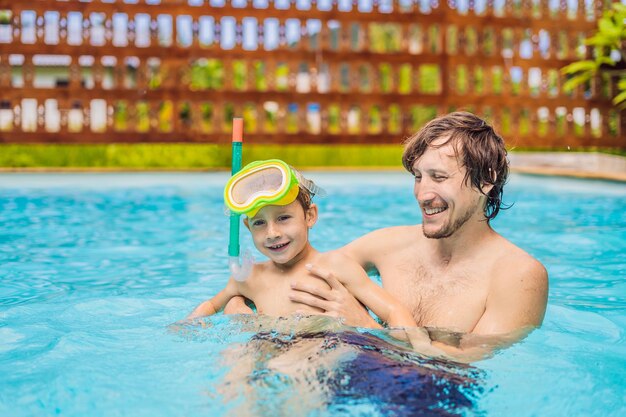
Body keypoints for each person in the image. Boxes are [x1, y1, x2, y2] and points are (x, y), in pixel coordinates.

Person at [226, 112, 549, 362]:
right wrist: (240, 302)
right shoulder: (387, 245)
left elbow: (465, 366)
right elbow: (295, 267)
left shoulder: (517, 275)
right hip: (351, 372)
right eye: (418, 177)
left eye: (439, 177)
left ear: (487, 180)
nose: (423, 194)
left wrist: (366, 330)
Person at [186, 159, 417, 331]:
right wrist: (188, 325)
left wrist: (410, 347)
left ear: (310, 216)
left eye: (283, 218)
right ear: (247, 228)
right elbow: (212, 305)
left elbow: (392, 310)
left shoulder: (334, 265)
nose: (272, 233)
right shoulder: (248, 277)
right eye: (259, 223)